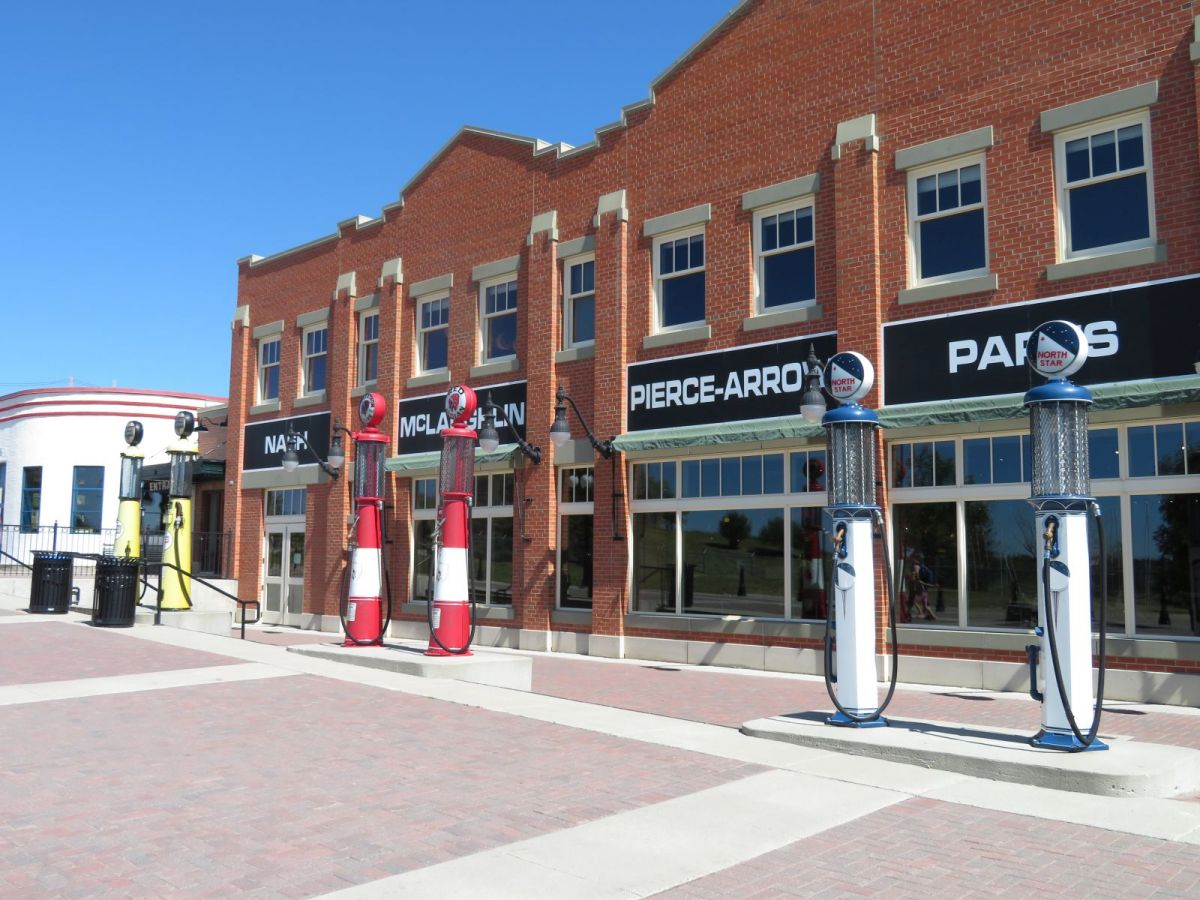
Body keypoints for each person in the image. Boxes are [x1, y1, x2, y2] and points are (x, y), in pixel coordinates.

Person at [906, 552, 937, 621]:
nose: (911, 559)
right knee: (925, 605)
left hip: (919, 592)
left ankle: (909, 615)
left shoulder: (916, 567)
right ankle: (932, 616)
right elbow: (924, 584)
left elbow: (916, 577)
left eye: (912, 558)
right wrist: (933, 585)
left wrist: (912, 578)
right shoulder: (919, 568)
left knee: (911, 601)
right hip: (923, 591)